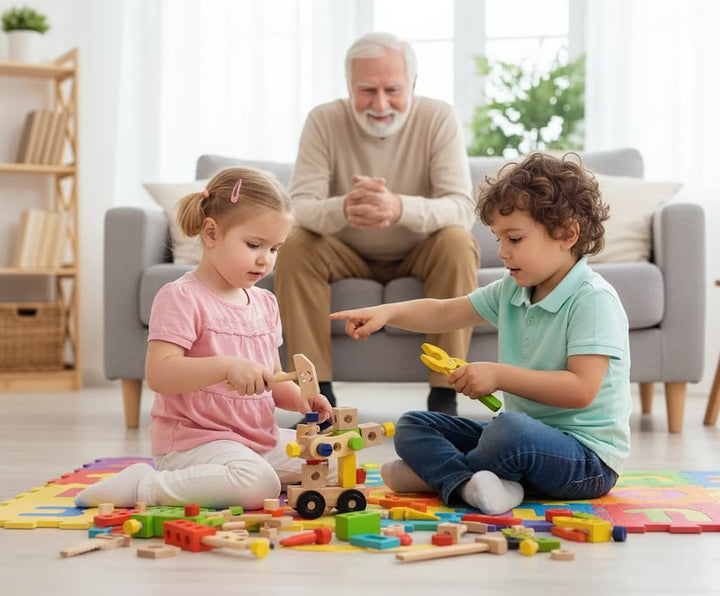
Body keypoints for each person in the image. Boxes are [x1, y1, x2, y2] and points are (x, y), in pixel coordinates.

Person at [330, 152, 632, 515]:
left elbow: (581, 390)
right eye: (499, 239)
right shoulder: (513, 289)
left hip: (586, 460)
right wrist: (386, 312)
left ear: (567, 234)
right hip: (517, 441)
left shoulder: (593, 300)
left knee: (509, 432)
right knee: (412, 425)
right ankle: (470, 483)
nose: (502, 253)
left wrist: (499, 376)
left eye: (515, 239)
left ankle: (442, 476)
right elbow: (445, 311)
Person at [75, 167, 333, 510]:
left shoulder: (265, 303)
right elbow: (160, 375)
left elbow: (272, 378)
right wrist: (226, 367)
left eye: (275, 249)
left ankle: (231, 479)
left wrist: (303, 400)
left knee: (328, 464)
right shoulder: (180, 297)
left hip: (255, 440)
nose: (265, 259)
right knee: (259, 484)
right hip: (193, 442)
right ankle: (145, 485)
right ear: (211, 233)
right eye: (254, 244)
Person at [275, 32, 479, 416]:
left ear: (413, 85)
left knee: (457, 241)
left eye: (393, 89)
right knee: (295, 242)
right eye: (367, 90)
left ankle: (444, 397)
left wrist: (398, 208)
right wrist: (346, 209)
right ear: (349, 87)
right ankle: (316, 397)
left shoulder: (438, 117)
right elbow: (298, 208)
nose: (380, 103)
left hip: (420, 251)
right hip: (343, 251)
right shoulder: (324, 120)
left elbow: (461, 208)